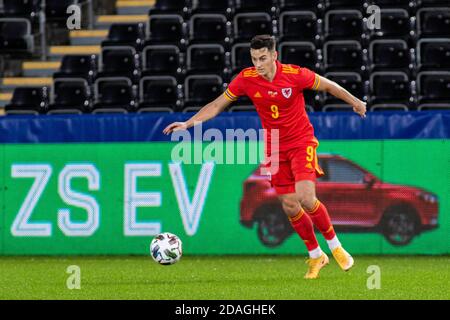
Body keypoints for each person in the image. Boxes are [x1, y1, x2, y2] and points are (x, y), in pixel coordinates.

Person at [163, 34, 367, 279]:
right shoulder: (246, 79)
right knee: (290, 205)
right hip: (274, 147)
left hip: (301, 142)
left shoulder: (295, 74)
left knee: (305, 197)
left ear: (274, 56)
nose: (257, 64)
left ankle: (336, 247)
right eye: (253, 59)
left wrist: (355, 101)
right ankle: (316, 256)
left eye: (262, 58)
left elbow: (329, 86)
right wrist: (188, 123)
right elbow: (217, 105)